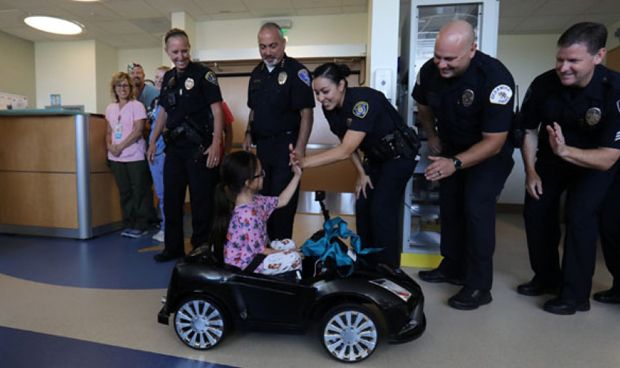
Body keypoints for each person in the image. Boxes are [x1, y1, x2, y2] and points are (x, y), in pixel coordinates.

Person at [412, 20, 515, 310]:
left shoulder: (494, 78)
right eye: (437, 56)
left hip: (489, 153)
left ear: (472, 49)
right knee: (451, 205)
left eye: (449, 59)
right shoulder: (430, 71)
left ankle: (479, 286)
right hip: (452, 147)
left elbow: (494, 141)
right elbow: (423, 105)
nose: (441, 64)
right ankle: (453, 266)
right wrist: (432, 135)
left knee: (475, 208)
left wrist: (455, 163)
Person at [518, 22, 620, 314]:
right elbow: (528, 130)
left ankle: (575, 296)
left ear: (598, 56)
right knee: (536, 209)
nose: (563, 67)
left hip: (599, 164)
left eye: (573, 61)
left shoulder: (614, 90)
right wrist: (531, 172)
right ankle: (547, 278)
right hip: (553, 161)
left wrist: (565, 150)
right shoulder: (543, 84)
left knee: (581, 216)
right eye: (560, 59)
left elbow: (608, 158)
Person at [290, 63, 419, 269]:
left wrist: (304, 162)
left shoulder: (363, 101)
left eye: (325, 91)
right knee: (363, 204)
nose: (321, 98)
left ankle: (388, 271)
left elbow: (345, 150)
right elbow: (347, 143)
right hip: (376, 159)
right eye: (317, 93)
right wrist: (361, 174)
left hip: (399, 157)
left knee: (381, 210)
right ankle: (366, 266)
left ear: (341, 85)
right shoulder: (330, 109)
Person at [148, 28, 224, 262]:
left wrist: (216, 144)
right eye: (175, 52)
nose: (180, 56)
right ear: (167, 51)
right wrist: (152, 142)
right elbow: (162, 112)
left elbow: (217, 110)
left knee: (202, 204)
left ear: (189, 48)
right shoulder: (169, 79)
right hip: (174, 151)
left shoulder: (204, 75)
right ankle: (173, 248)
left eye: (184, 51)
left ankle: (201, 249)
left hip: (199, 150)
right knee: (171, 201)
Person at [244, 22, 315, 241]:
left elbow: (307, 114)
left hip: (287, 146)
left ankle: (282, 250)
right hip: (263, 147)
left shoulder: (297, 72)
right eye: (262, 47)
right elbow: (254, 110)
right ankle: (266, 249)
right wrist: (248, 133)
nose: (267, 52)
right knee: (263, 199)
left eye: (272, 46)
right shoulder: (256, 73)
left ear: (283, 43)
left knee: (282, 203)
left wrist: (300, 150)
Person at [210, 151, 303, 275]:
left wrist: (297, 175)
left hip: (255, 252)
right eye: (260, 174)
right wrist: (291, 253)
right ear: (248, 182)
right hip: (246, 264)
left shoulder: (256, 200)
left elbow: (282, 200)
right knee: (294, 258)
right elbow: (261, 251)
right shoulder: (247, 216)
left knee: (289, 244)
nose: (263, 176)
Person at [105, 72, 152, 238]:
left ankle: (141, 225)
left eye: (125, 85)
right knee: (124, 192)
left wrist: (121, 147)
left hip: (134, 156)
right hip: (116, 157)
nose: (122, 89)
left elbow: (138, 131)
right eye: (119, 85)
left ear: (131, 88)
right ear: (114, 88)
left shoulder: (137, 105)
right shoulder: (110, 108)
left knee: (139, 191)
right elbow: (109, 131)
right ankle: (129, 223)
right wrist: (110, 147)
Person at [147, 65, 171, 243]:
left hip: (163, 152)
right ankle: (165, 227)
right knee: (161, 193)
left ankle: (166, 229)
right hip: (154, 152)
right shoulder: (155, 102)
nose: (159, 81)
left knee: (165, 194)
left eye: (163, 79)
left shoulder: (170, 101)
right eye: (157, 78)